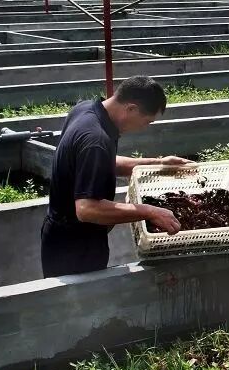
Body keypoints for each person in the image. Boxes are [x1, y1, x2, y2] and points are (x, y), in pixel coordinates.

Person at [41, 76, 190, 278]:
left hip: (63, 239)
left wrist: (159, 163)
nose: (145, 127)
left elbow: (101, 162)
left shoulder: (86, 111)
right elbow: (87, 209)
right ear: (131, 109)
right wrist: (149, 211)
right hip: (74, 248)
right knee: (81, 307)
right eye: (147, 121)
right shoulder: (96, 139)